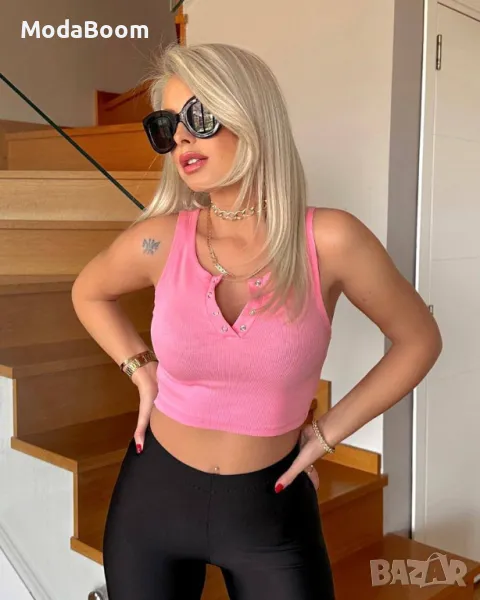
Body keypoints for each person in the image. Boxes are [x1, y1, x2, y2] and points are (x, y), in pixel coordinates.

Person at [71, 42, 442, 600]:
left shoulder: (331, 240)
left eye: (199, 116)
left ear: (250, 114)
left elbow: (419, 340)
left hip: (270, 509)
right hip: (152, 499)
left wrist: (326, 434)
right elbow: (88, 291)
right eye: (168, 127)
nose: (181, 139)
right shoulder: (158, 240)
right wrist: (141, 369)